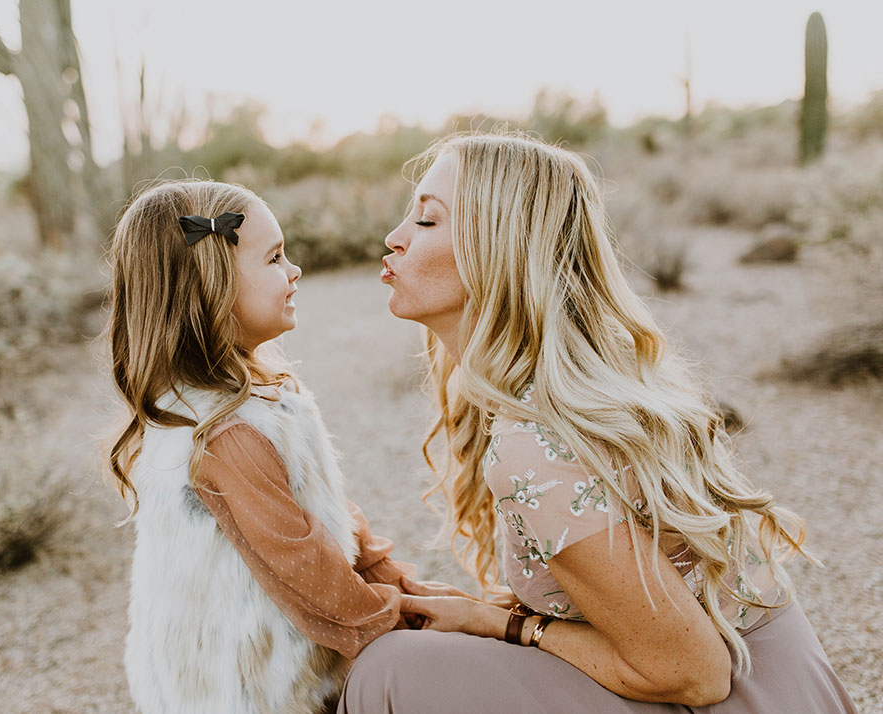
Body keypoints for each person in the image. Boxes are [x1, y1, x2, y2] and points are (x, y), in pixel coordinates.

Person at [340, 132, 859, 713]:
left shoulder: (532, 442)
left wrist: (506, 628)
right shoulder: (565, 391)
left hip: (737, 698)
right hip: (782, 686)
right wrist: (482, 616)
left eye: (428, 221)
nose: (395, 237)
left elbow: (697, 674)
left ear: (499, 250)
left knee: (391, 669)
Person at [103, 179, 416, 714]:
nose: (293, 271)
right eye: (274, 259)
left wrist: (409, 586)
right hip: (251, 693)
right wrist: (417, 621)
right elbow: (313, 579)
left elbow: (332, 521)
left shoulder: (255, 399)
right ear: (213, 285)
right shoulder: (223, 435)